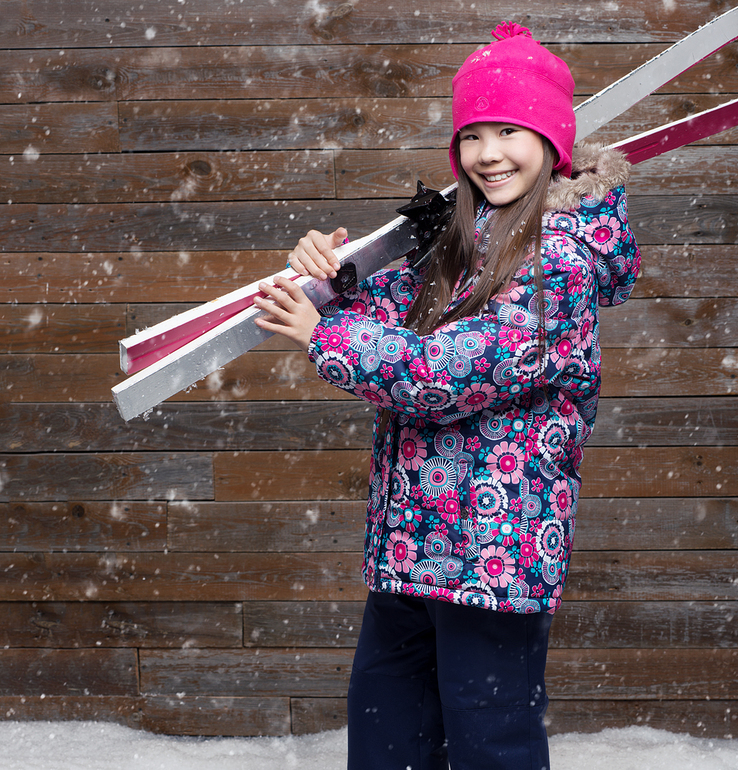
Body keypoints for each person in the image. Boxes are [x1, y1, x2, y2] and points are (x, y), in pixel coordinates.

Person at [254, 21, 640, 770]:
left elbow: (442, 374)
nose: (487, 154)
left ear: (553, 139)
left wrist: (321, 334)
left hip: (496, 554)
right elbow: (386, 311)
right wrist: (331, 276)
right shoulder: (466, 237)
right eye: (472, 136)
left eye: (509, 131)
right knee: (386, 730)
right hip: (412, 543)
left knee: (490, 739)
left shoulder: (560, 263)